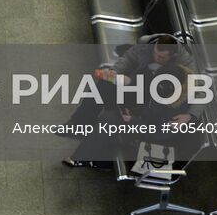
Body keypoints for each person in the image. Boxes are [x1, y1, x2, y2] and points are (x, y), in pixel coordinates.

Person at [63, 36, 198, 169]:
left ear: (172, 58)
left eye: (161, 58)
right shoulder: (161, 77)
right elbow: (137, 78)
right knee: (104, 87)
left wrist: (133, 119)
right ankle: (79, 125)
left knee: (109, 120)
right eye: (155, 53)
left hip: (145, 132)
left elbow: (157, 132)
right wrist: (113, 75)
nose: (156, 58)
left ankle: (82, 158)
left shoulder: (176, 104)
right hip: (142, 111)